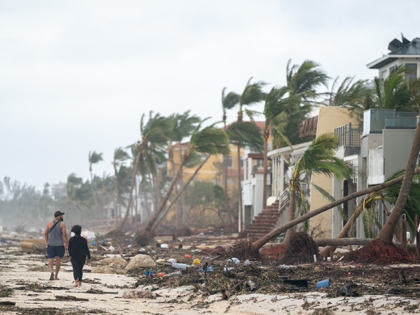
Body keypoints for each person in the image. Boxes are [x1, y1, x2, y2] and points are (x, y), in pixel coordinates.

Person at [44, 210, 68, 281]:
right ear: (58, 216)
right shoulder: (62, 224)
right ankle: (56, 276)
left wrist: (47, 242)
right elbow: (64, 235)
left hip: (50, 244)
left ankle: (51, 272)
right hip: (59, 245)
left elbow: (46, 233)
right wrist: (67, 244)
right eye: (61, 215)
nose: (62, 216)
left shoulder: (49, 223)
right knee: (58, 261)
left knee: (50, 260)